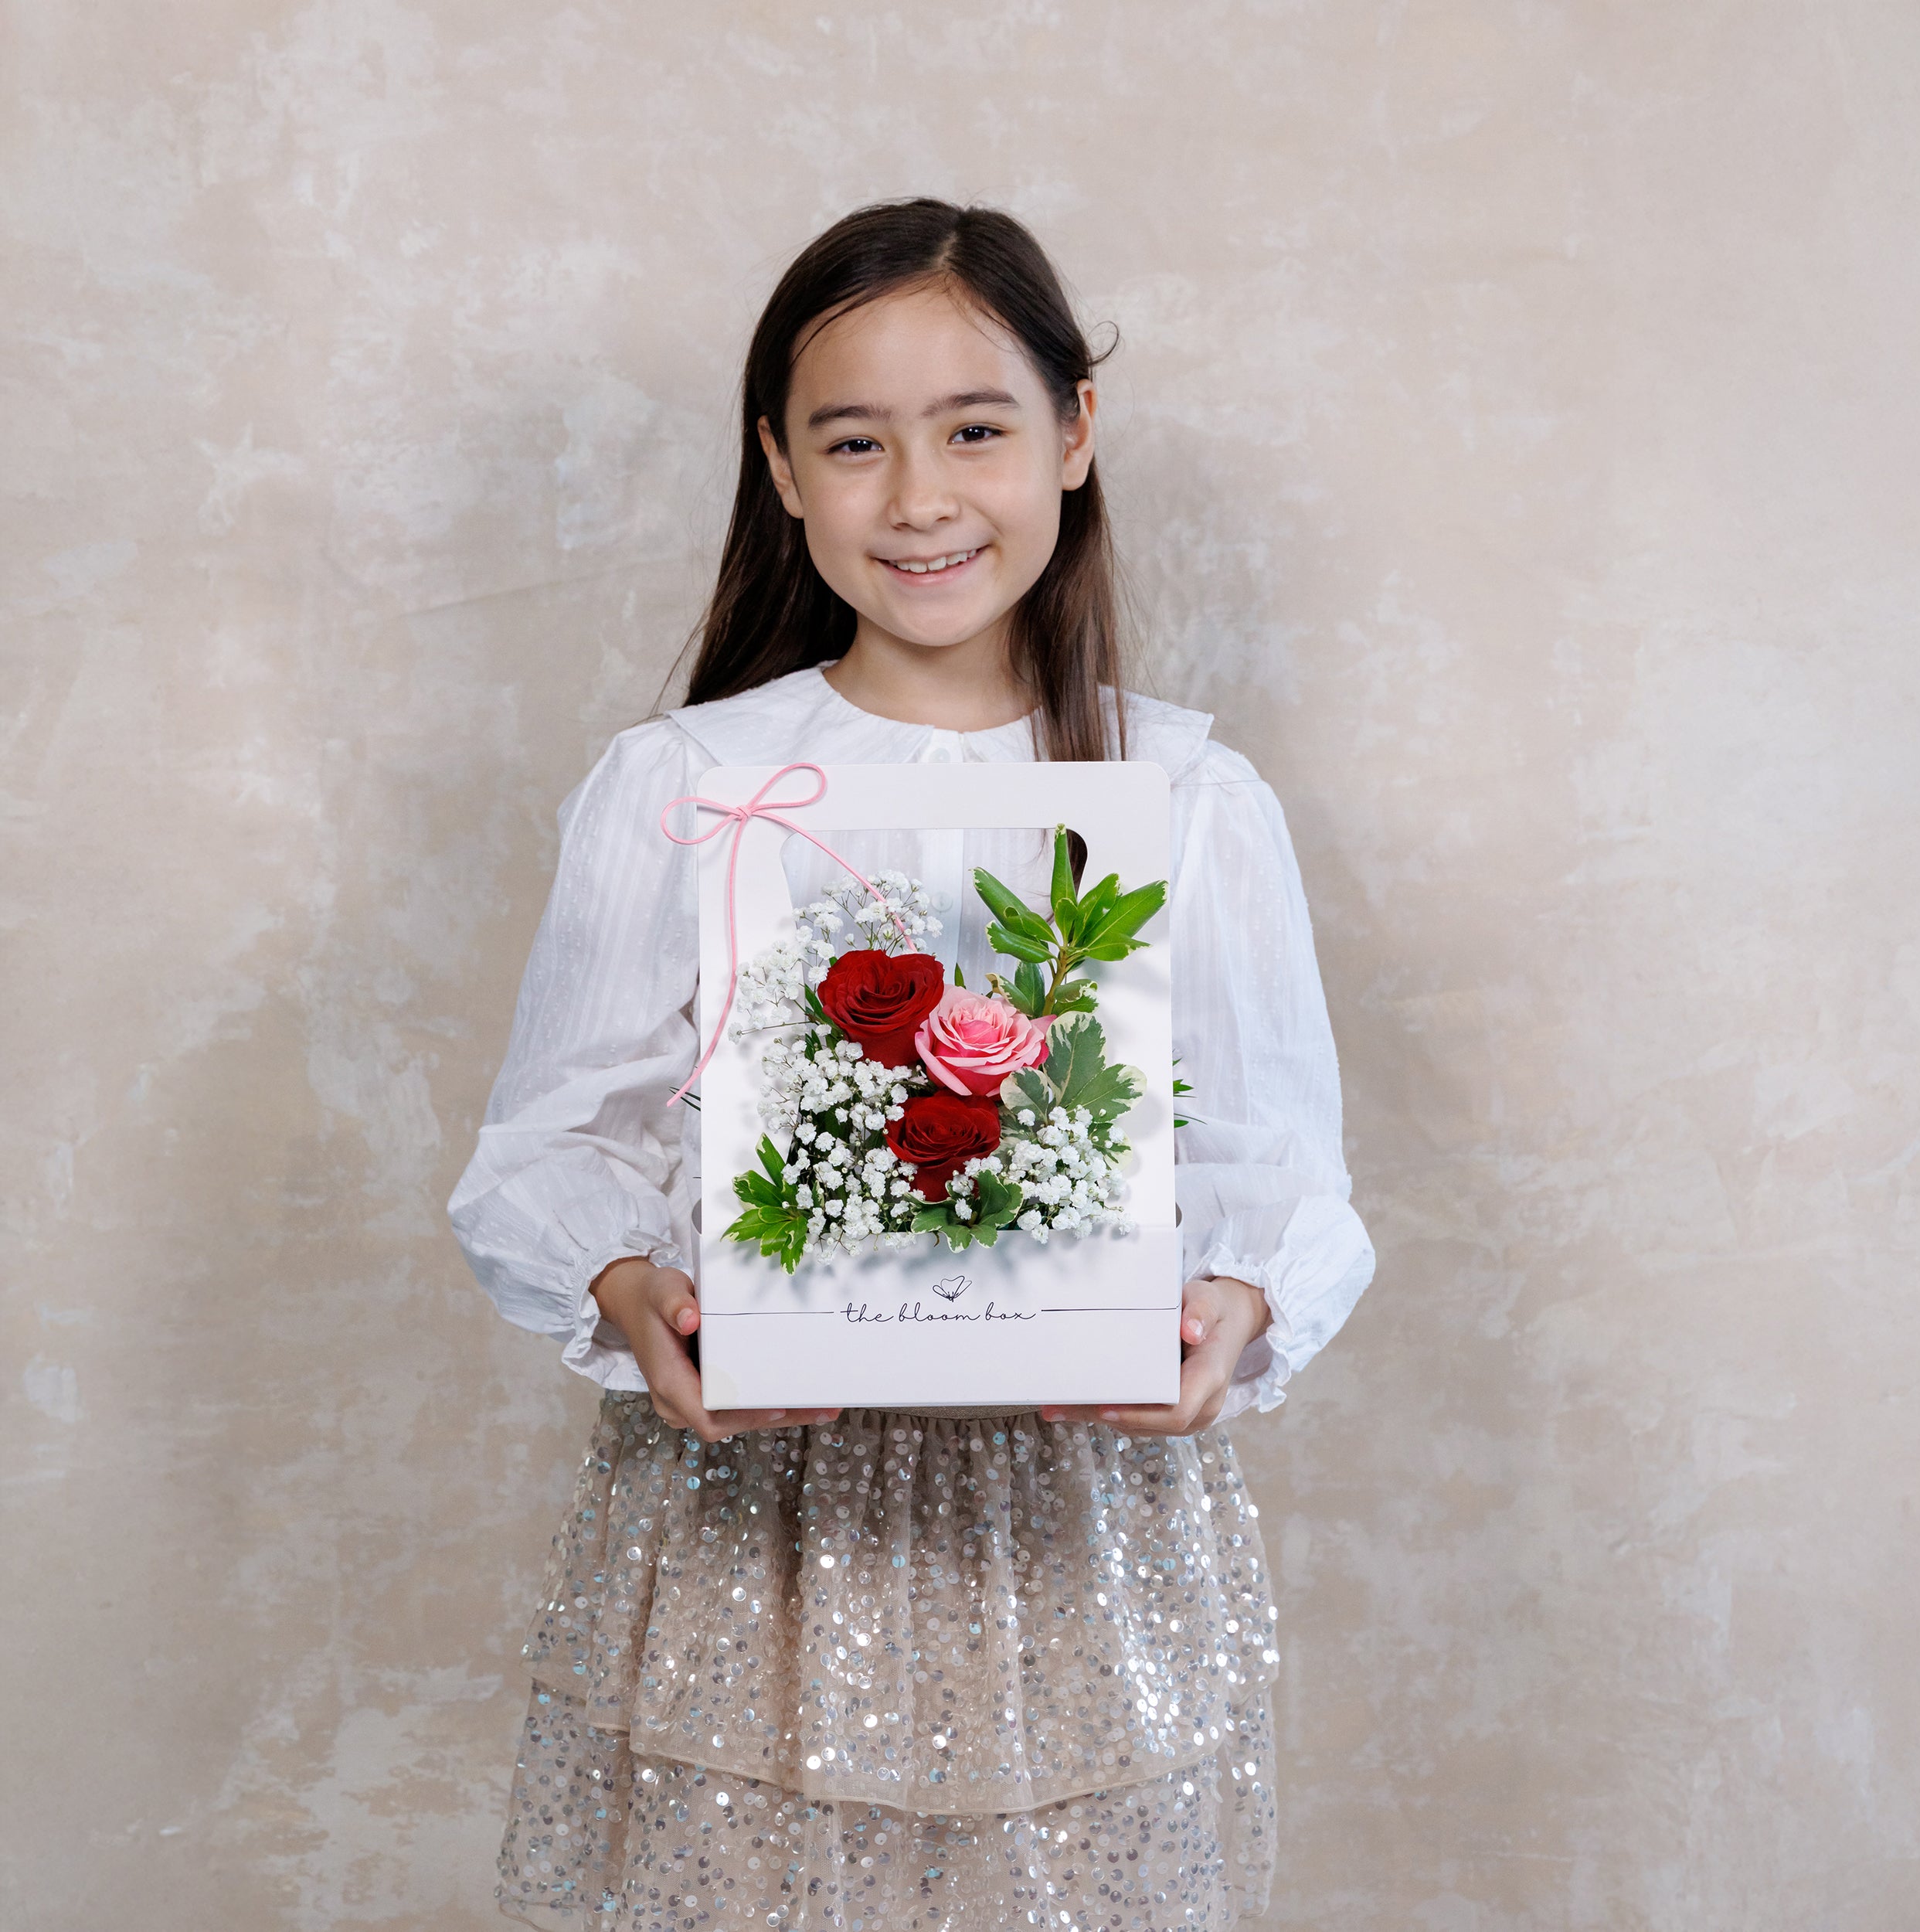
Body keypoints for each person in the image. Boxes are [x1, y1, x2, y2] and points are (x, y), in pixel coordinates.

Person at [448, 196, 1375, 1932]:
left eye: (974, 429)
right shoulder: (683, 781)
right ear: (782, 472)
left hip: (1084, 1514)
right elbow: (552, 1134)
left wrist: (1231, 1310)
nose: (920, 495)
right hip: (756, 1523)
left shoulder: (1182, 796)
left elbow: (1273, 1161)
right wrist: (636, 1290)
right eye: (853, 442)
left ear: (1074, 436)